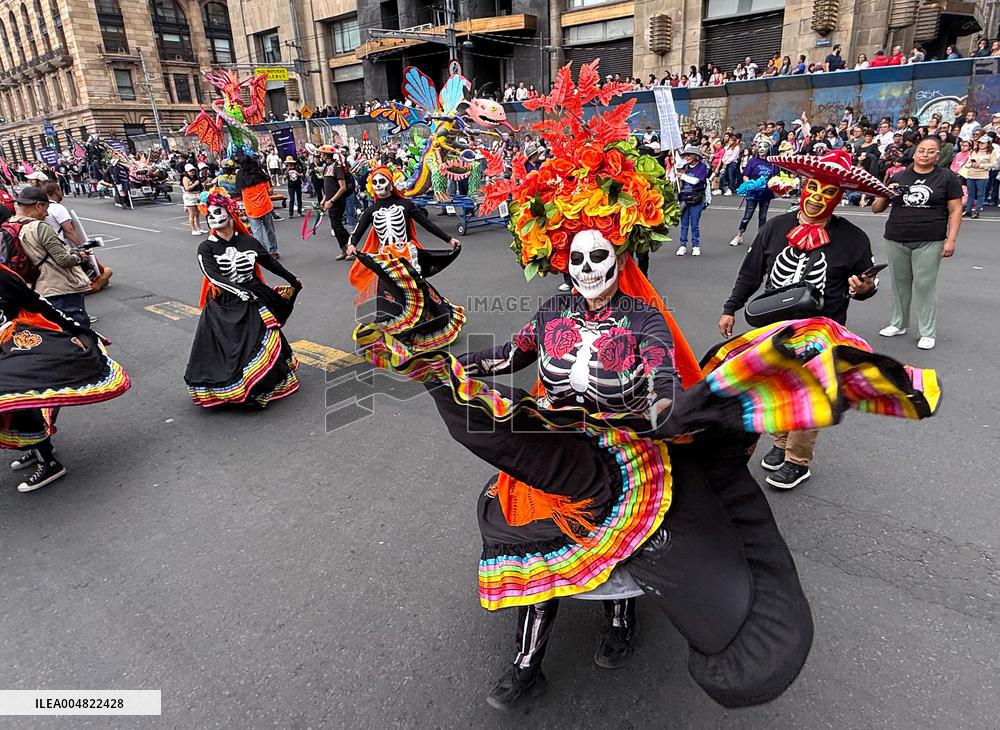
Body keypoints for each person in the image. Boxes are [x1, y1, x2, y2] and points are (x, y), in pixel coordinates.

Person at [352, 72, 942, 712]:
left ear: (620, 257)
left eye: (600, 259)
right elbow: (507, 356)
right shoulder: (552, 309)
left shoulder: (643, 320)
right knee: (521, 509)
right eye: (576, 260)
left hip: (623, 449)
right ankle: (526, 660)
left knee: (642, 543)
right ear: (562, 259)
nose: (587, 274)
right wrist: (452, 361)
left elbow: (661, 379)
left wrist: (669, 414)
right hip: (555, 440)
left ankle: (621, 619)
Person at [718, 149, 891, 489]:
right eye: (813, 187)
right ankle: (780, 443)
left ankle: (798, 461)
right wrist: (730, 307)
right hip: (775, 327)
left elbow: (865, 284)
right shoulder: (775, 227)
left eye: (828, 192)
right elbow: (750, 273)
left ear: (839, 196)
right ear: (803, 186)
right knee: (777, 387)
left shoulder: (852, 237)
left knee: (809, 394)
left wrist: (865, 287)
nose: (817, 197)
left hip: (823, 330)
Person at [0, 262, 131, 492]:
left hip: (20, 346)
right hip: (6, 351)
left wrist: (76, 328)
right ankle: (38, 447)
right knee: (16, 407)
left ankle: (48, 461)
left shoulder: (3, 276)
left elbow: (37, 303)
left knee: (23, 399)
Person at [184, 188, 302, 408]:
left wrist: (291, 279)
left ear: (230, 213)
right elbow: (212, 275)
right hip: (224, 303)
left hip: (254, 296)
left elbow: (270, 263)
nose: (215, 218)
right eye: (210, 215)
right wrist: (238, 291)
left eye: (218, 212)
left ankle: (260, 386)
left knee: (262, 340)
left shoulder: (248, 241)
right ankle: (235, 388)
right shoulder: (206, 247)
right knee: (231, 348)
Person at [872, 136, 963, 351]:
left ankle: (927, 332)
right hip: (897, 236)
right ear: (914, 152)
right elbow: (876, 208)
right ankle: (898, 323)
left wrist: (951, 240)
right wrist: (887, 193)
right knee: (899, 284)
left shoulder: (947, 178)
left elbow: (956, 210)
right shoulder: (899, 176)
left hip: (930, 238)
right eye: (922, 150)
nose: (925, 155)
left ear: (938, 155)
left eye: (931, 151)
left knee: (925, 286)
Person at [345, 165, 460, 303]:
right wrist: (351, 244)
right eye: (374, 182)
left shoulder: (406, 205)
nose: (378, 185)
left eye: (382, 181)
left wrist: (449, 239)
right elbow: (357, 232)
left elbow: (427, 224)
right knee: (390, 293)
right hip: (385, 258)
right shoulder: (370, 211)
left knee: (416, 290)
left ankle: (425, 318)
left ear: (391, 184)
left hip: (406, 255)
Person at [9, 186, 92, 327]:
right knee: (76, 330)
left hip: (33, 287)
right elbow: (63, 259)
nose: (46, 214)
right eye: (46, 209)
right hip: (58, 287)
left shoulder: (9, 225)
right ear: (38, 205)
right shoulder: (39, 227)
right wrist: (80, 257)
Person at [730, 142, 778, 246]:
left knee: (763, 216)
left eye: (764, 147)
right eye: (760, 147)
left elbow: (776, 178)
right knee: (748, 215)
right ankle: (739, 235)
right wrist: (750, 184)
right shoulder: (753, 161)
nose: (761, 149)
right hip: (753, 193)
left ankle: (760, 239)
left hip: (766, 193)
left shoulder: (773, 163)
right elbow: (745, 175)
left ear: (769, 149)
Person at [235, 151, 279, 258]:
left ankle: (263, 254)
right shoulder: (260, 173)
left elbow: (238, 191)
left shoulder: (240, 176)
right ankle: (273, 251)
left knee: (257, 233)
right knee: (270, 230)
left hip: (251, 209)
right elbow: (269, 190)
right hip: (265, 206)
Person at [319, 146, 354, 260]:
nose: (321, 156)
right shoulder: (326, 168)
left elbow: (342, 188)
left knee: (337, 226)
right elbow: (328, 188)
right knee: (335, 226)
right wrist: (324, 199)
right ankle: (344, 249)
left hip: (337, 202)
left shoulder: (337, 168)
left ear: (326, 155)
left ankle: (351, 248)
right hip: (330, 202)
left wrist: (332, 201)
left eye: (322, 154)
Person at [675, 145, 708, 256]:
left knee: (695, 224)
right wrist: (674, 176)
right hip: (684, 198)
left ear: (695, 156)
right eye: (685, 156)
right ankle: (682, 245)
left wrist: (682, 176)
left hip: (696, 198)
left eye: (688, 155)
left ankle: (695, 245)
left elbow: (696, 181)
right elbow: (678, 181)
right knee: (683, 224)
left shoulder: (702, 167)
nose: (687, 158)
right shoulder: (684, 167)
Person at [962, 138, 995, 218]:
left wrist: (980, 165)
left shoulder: (991, 152)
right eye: (980, 143)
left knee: (980, 193)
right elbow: (969, 162)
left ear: (987, 144)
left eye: (983, 143)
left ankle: (977, 210)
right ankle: (968, 210)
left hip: (982, 175)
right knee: (970, 193)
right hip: (971, 174)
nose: (981, 145)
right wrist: (969, 165)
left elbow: (993, 164)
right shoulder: (974, 151)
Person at [181, 164, 206, 236]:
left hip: (197, 195)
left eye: (193, 170)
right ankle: (193, 229)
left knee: (197, 213)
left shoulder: (196, 177)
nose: (192, 172)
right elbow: (187, 188)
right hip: (189, 196)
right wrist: (195, 184)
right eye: (190, 171)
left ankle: (199, 228)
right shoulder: (185, 178)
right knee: (192, 214)